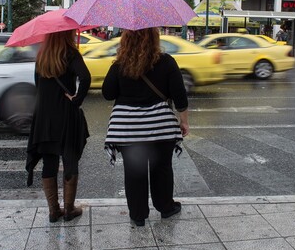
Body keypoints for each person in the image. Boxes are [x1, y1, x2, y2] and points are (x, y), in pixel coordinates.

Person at [102, 28, 189, 227]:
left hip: (127, 129)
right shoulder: (166, 62)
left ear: (126, 40)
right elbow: (179, 96)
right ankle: (165, 207)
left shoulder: (120, 65)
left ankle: (138, 215)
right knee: (162, 168)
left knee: (134, 172)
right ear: (154, 38)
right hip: (160, 128)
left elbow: (108, 93)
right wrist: (184, 121)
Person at [26, 29, 91, 223]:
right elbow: (85, 78)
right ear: (67, 34)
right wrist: (76, 99)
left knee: (49, 162)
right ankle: (69, 209)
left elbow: (38, 85)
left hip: (45, 117)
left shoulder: (42, 56)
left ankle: (54, 211)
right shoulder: (70, 53)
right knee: (70, 160)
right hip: (66, 114)